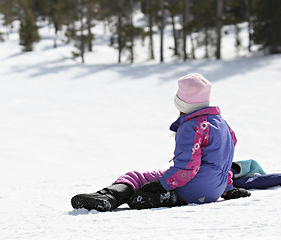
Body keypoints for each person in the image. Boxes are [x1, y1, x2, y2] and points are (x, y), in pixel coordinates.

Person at [71, 73, 251, 212]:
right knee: (159, 177)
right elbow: (224, 160)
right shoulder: (222, 124)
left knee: (138, 177)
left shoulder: (193, 126)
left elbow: (188, 167)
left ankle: (109, 197)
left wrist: (163, 184)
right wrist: (227, 188)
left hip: (194, 189)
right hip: (214, 191)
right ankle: (167, 196)